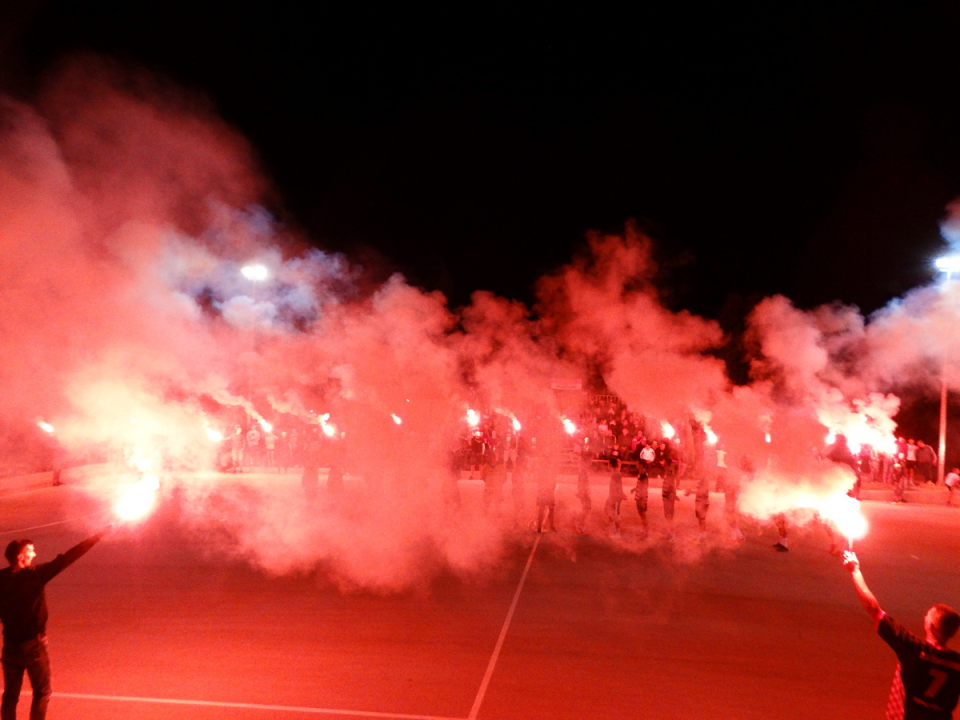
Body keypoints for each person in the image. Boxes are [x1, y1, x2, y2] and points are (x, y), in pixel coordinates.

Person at [0, 527, 112, 720]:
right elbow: (68, 557)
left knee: (10, 695)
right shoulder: (35, 575)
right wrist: (97, 536)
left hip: (10, 647)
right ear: (20, 557)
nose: (35, 553)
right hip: (33, 646)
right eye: (30, 550)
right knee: (42, 692)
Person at [842, 551, 960, 719]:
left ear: (931, 627)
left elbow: (874, 609)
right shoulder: (956, 663)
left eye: (927, 616)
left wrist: (855, 571)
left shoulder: (914, 649)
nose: (924, 617)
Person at [605, 457, 627, 537]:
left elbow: (619, 486)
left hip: (616, 497)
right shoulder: (615, 473)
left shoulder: (616, 474)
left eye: (608, 463)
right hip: (612, 496)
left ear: (610, 464)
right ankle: (612, 527)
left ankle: (617, 530)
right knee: (607, 510)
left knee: (616, 514)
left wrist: (621, 494)